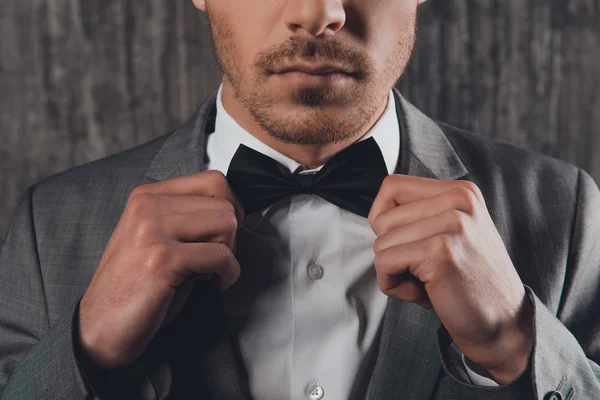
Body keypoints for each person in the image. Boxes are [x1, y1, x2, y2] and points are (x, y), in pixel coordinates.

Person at [1, 0, 599, 398]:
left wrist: (516, 343)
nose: (319, 13)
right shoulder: (45, 226)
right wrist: (89, 351)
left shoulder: (565, 213)